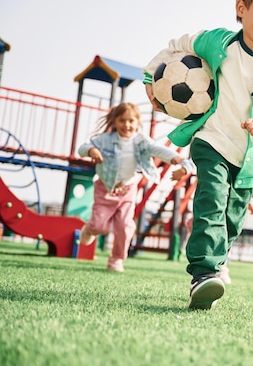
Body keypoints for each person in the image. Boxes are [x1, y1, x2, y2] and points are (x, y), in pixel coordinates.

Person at [143, 0, 253, 310]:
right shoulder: (219, 42)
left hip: (251, 157)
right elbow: (177, 45)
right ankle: (203, 275)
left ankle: (218, 258)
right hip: (213, 141)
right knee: (211, 203)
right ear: (241, 8)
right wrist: (149, 73)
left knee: (233, 218)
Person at [77, 102, 192, 272]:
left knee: (124, 226)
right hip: (105, 189)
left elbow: (157, 149)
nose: (127, 125)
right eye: (122, 120)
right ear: (115, 121)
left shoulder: (141, 141)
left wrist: (174, 158)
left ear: (138, 122)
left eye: (131, 121)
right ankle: (89, 229)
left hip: (127, 190)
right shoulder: (104, 140)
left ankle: (116, 259)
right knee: (99, 226)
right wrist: (91, 150)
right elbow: (82, 148)